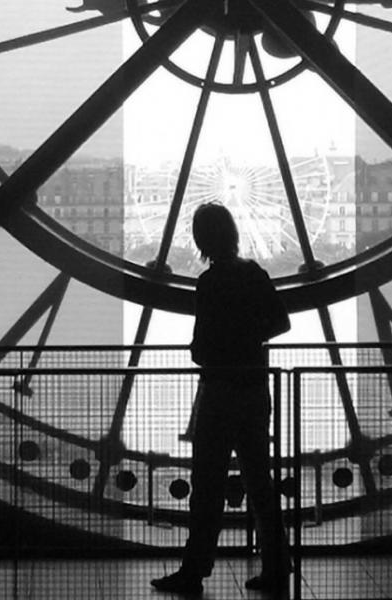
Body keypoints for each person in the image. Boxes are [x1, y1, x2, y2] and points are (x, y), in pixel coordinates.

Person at [151, 203, 291, 596]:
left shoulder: (209, 284)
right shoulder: (254, 275)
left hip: (218, 393)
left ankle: (194, 569)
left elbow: (200, 349)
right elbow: (280, 322)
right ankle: (278, 567)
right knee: (260, 483)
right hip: (253, 389)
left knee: (207, 486)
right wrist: (249, 338)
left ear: (201, 239)